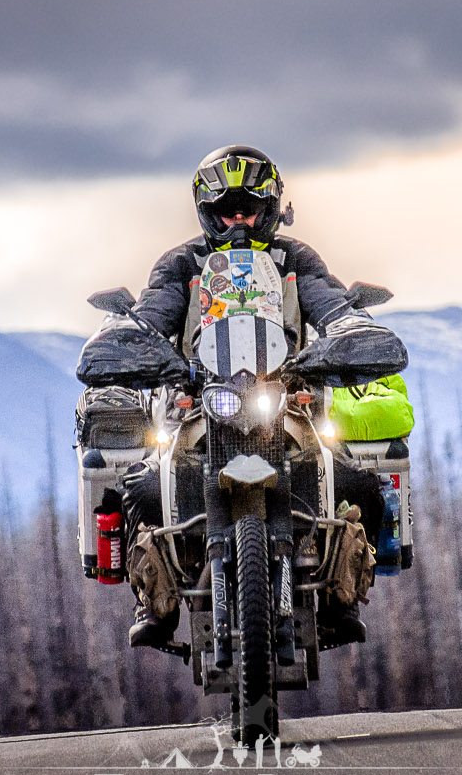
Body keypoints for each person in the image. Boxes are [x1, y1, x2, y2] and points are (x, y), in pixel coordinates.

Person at [117, 144, 392, 651]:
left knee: (365, 487)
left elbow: (327, 301)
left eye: (250, 209)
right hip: (200, 403)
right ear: (208, 211)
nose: (239, 220)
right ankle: (152, 602)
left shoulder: (295, 258)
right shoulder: (182, 263)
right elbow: (155, 312)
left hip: (285, 399)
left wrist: (348, 326)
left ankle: (342, 598)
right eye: (228, 210)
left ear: (270, 210)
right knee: (138, 490)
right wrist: (132, 337)